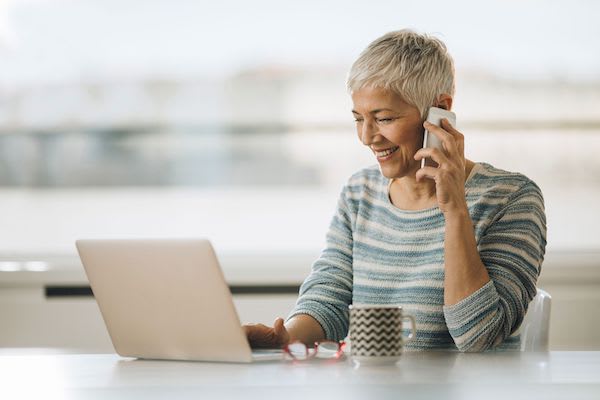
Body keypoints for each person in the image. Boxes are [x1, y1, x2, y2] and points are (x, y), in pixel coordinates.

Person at [243, 29, 547, 352]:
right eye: (359, 119)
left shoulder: (512, 199)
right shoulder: (360, 193)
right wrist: (285, 338)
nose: (367, 136)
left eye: (384, 118)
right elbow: (328, 300)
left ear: (440, 110)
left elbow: (478, 336)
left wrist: (455, 209)